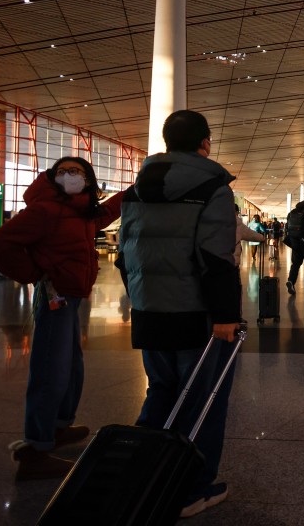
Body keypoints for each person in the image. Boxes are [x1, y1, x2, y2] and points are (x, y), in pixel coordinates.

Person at [117, 109, 241, 518]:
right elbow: (215, 258)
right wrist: (226, 316)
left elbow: (124, 256)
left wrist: (139, 298)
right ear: (205, 144)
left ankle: (138, 473)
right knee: (203, 402)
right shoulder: (213, 188)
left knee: (161, 393)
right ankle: (191, 489)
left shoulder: (136, 191)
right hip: (197, 315)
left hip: (150, 312)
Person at [0, 157, 124, 479]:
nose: (69, 176)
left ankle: (58, 427)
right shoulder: (46, 209)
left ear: (88, 181)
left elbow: (102, 216)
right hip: (55, 297)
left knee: (70, 364)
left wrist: (135, 189)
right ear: (52, 178)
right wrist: (34, 273)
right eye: (62, 171)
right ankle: (36, 448)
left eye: (76, 172)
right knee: (51, 368)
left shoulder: (78, 211)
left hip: (71, 298)